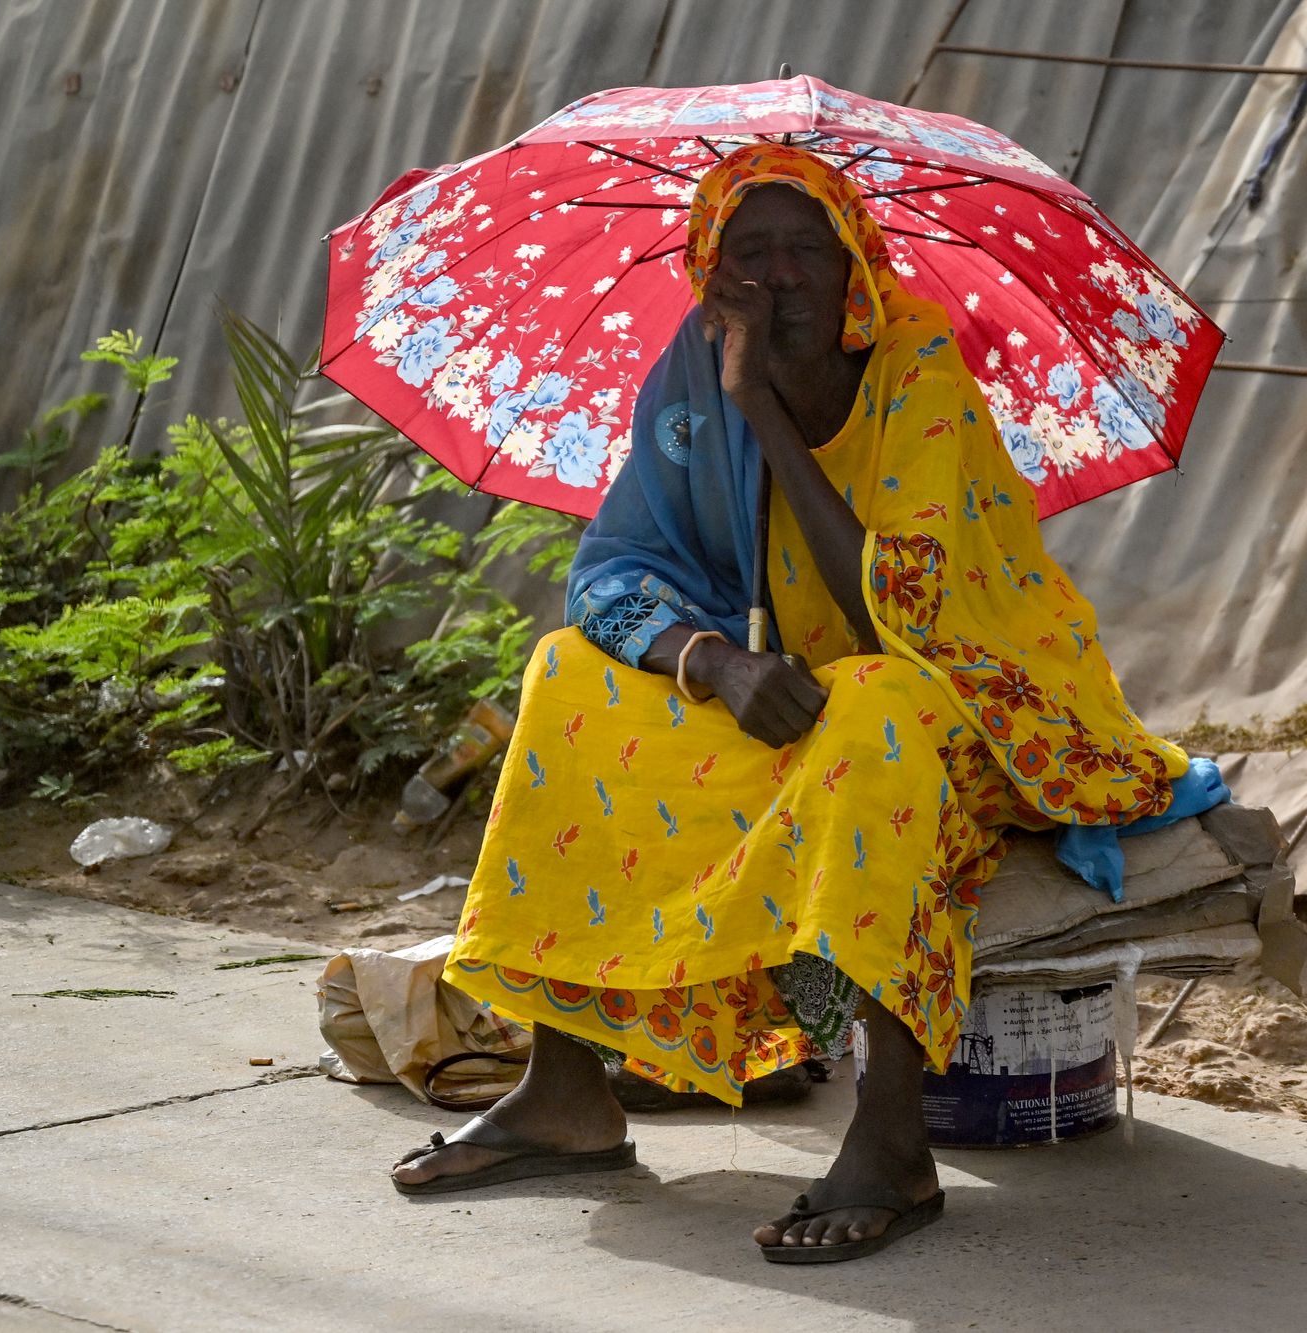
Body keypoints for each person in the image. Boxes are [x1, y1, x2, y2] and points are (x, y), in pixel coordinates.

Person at [391, 143, 1189, 1262]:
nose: (777, 278)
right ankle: (565, 1090)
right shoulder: (693, 362)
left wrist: (763, 406)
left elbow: (893, 617)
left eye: (804, 249)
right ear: (711, 272)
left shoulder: (915, 366)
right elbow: (612, 571)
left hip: (955, 688)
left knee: (871, 707)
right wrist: (710, 660)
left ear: (853, 258)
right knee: (566, 668)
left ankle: (892, 1139)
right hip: (774, 689)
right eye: (747, 253)